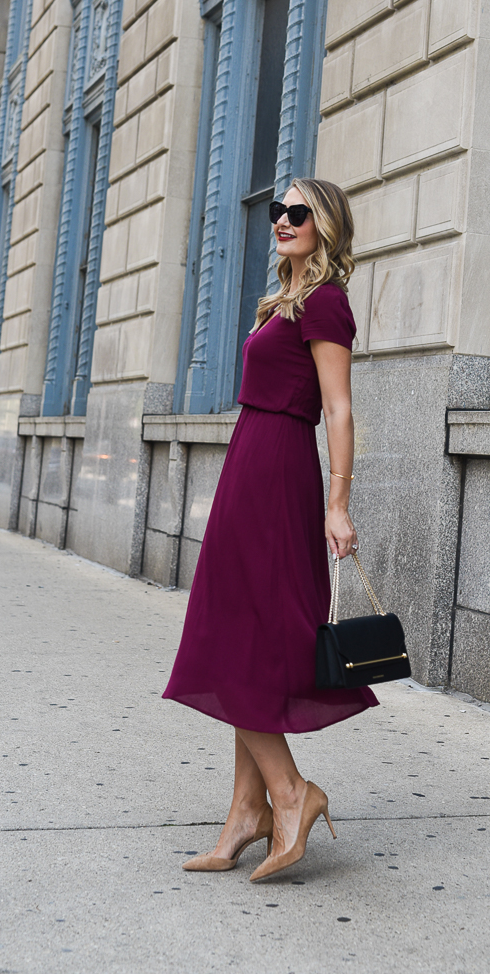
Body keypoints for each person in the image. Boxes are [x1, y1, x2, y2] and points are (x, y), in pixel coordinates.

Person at [162, 177, 378, 882]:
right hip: (249, 466)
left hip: (279, 472)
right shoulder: (281, 301)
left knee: (239, 640)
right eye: (278, 211)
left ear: (325, 228)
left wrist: (338, 504)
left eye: (299, 213)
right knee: (240, 640)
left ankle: (291, 795)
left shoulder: (325, 302)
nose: (282, 220)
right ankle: (245, 814)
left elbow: (339, 410)